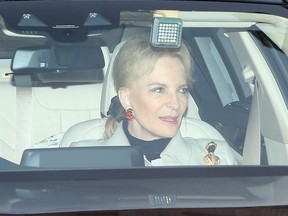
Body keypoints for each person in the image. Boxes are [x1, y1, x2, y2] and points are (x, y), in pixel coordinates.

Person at [72, 34, 236, 166]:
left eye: (182, 90)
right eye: (159, 90)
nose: (175, 103)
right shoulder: (82, 160)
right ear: (126, 98)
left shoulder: (217, 157)